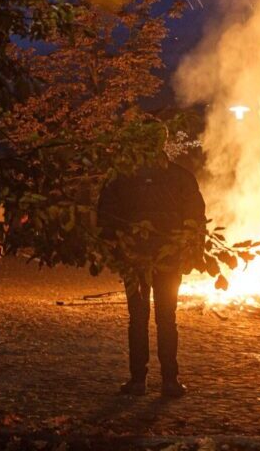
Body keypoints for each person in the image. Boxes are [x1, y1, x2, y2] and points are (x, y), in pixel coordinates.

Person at [97, 130, 207, 398]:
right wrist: (194, 253)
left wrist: (115, 250)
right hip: (169, 259)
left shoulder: (122, 178)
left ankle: (138, 381)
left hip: (134, 259)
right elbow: (196, 218)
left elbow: (106, 218)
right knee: (167, 319)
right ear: (163, 143)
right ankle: (170, 381)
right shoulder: (180, 177)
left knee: (137, 319)